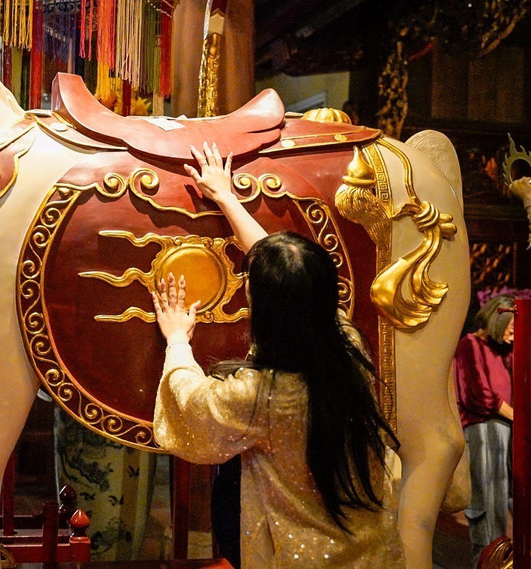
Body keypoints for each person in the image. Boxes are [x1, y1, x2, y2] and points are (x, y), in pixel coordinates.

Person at [151, 142, 404, 566]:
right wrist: (227, 197)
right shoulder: (347, 347)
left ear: (266, 310)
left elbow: (193, 407)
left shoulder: (261, 395)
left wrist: (177, 340)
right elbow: (290, 273)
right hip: (372, 554)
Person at [454, 294, 531, 565]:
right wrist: (520, 419)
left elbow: (527, 379)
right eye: (510, 330)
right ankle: (489, 559)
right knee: (490, 498)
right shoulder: (469, 346)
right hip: (484, 429)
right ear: (498, 323)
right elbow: (481, 394)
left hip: (512, 426)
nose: (513, 336)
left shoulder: (506, 350)